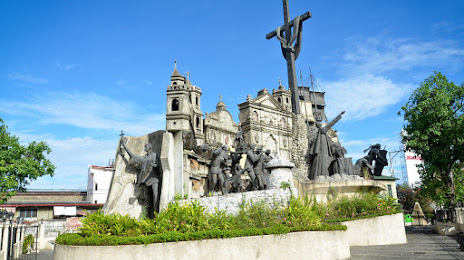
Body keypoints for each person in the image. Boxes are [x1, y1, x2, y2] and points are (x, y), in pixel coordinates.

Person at [120, 140, 161, 213]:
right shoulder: (144, 158)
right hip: (145, 179)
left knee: (155, 194)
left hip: (153, 177)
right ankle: (148, 214)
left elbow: (157, 165)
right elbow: (133, 156)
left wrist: (152, 164)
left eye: (146, 146)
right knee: (147, 196)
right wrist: (124, 146)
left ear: (150, 148)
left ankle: (156, 211)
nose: (144, 147)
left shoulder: (154, 155)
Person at [309, 111, 345, 179]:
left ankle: (319, 174)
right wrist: (339, 115)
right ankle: (323, 174)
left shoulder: (320, 133)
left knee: (321, 160)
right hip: (323, 148)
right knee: (323, 161)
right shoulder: (323, 130)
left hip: (322, 147)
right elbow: (331, 123)